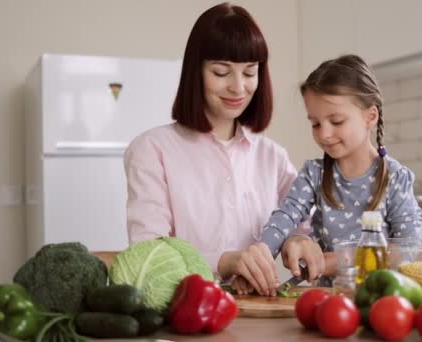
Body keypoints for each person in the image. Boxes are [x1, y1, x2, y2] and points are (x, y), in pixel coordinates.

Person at [123, 2, 304, 296]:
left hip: (258, 315)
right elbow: (149, 255)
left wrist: (300, 241)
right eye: (221, 72)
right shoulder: (152, 149)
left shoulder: (272, 157)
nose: (238, 87)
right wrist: (225, 261)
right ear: (196, 72)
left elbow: (305, 225)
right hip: (184, 316)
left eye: (249, 72)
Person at [241, 54, 422, 292]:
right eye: (315, 124)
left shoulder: (396, 179)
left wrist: (334, 261)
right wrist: (259, 259)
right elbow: (283, 219)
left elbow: (407, 249)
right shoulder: (313, 174)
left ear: (371, 116)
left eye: (336, 121)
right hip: (330, 300)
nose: (324, 134)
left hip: (381, 299)